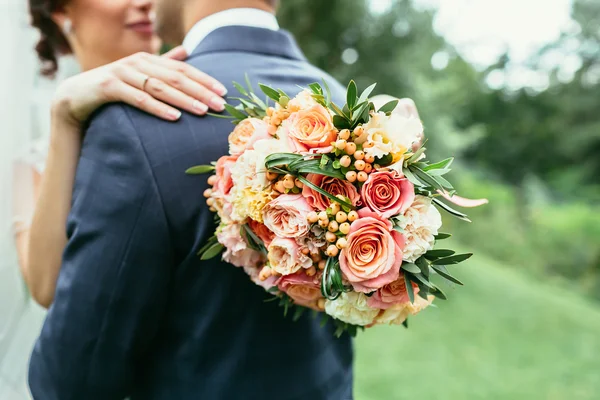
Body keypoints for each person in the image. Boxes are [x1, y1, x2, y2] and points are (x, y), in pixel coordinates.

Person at [14, 0, 228, 308]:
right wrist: (65, 118)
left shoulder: (209, 98)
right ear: (61, 12)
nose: (145, 3)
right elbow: (49, 288)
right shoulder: (31, 163)